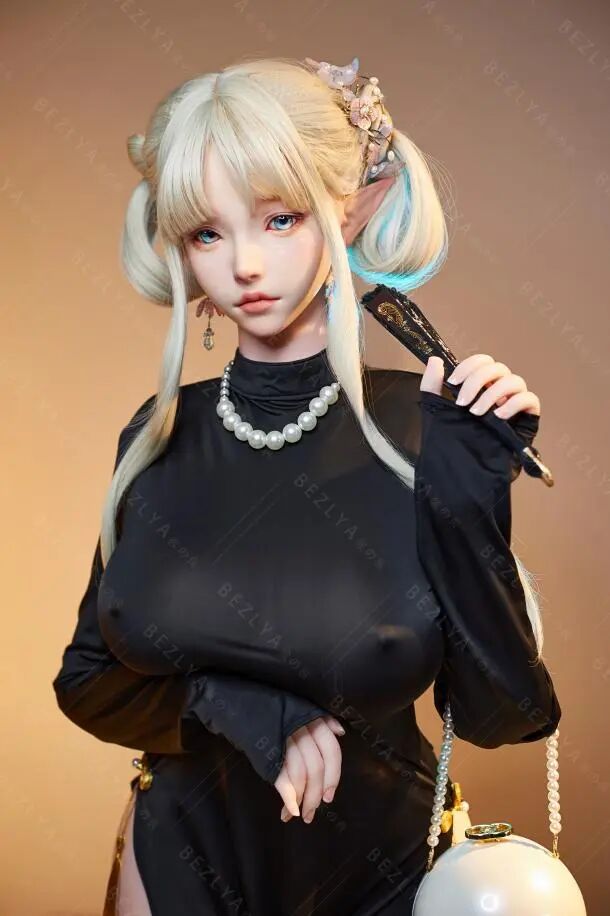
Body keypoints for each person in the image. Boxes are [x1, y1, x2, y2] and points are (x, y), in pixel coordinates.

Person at [51, 55, 561, 915]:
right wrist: (236, 706)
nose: (244, 264)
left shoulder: (425, 429)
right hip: (179, 863)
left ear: (352, 208)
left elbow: (500, 716)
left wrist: (470, 496)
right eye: (208, 234)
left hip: (386, 877)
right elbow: (86, 682)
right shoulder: (159, 433)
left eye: (279, 219)